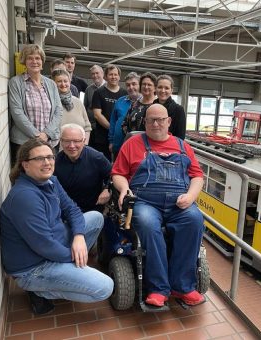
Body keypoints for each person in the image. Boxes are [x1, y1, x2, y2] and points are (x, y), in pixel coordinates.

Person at [0, 139, 113, 315]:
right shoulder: (25, 197)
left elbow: (73, 210)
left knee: (96, 217)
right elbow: (44, 245)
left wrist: (79, 237)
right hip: (34, 268)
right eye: (39, 159)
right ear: (25, 165)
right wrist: (75, 258)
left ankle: (70, 268)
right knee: (105, 287)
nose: (47, 162)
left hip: (53, 245)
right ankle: (39, 291)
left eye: (50, 157)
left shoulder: (51, 181)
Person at [112, 104, 205, 307]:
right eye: (151, 120)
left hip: (178, 203)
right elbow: (118, 173)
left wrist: (190, 196)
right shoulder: (132, 144)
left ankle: (183, 286)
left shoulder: (182, 146)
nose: (156, 123)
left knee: (195, 220)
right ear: (144, 122)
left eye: (160, 119)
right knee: (147, 224)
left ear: (169, 122)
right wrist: (124, 188)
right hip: (145, 202)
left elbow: (197, 176)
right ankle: (158, 288)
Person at [8, 44, 62, 163]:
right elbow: (17, 112)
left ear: (42, 61)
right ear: (24, 61)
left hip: (50, 142)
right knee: (26, 177)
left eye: (37, 58)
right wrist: (37, 136)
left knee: (47, 176)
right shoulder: (15, 83)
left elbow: (58, 111)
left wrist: (46, 134)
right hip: (24, 143)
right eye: (30, 58)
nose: (34, 61)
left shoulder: (51, 84)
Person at [55, 124, 111, 213]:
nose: (72, 146)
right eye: (67, 141)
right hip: (64, 211)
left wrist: (107, 189)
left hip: (91, 210)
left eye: (76, 141)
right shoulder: (55, 161)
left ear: (84, 141)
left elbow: (112, 176)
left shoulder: (97, 158)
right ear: (61, 141)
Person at [92, 64, 127, 161]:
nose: (113, 77)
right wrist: (112, 128)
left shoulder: (125, 94)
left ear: (119, 77)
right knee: (102, 162)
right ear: (106, 76)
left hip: (120, 137)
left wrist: (117, 132)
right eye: (111, 74)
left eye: (116, 74)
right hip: (102, 137)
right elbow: (97, 115)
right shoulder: (99, 92)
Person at [52, 69, 91, 144]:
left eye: (65, 81)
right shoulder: (50, 102)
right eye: (59, 81)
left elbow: (87, 126)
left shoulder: (78, 102)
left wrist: (84, 144)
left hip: (79, 149)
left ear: (69, 82)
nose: (63, 84)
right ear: (53, 83)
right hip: (57, 149)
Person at [108, 72, 141, 160]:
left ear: (140, 85)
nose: (131, 87)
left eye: (134, 84)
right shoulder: (120, 101)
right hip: (118, 146)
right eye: (128, 85)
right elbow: (113, 122)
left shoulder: (144, 103)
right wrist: (111, 141)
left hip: (137, 148)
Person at [154, 74, 186, 139]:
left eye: (166, 88)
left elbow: (180, 137)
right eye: (160, 87)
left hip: (170, 147)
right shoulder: (150, 108)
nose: (163, 90)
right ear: (155, 89)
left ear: (171, 90)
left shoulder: (178, 110)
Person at [84, 65, 105, 148]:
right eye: (93, 74)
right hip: (91, 128)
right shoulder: (88, 89)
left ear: (102, 74)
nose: (95, 75)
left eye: (97, 73)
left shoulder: (108, 87)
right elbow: (85, 107)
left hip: (104, 128)